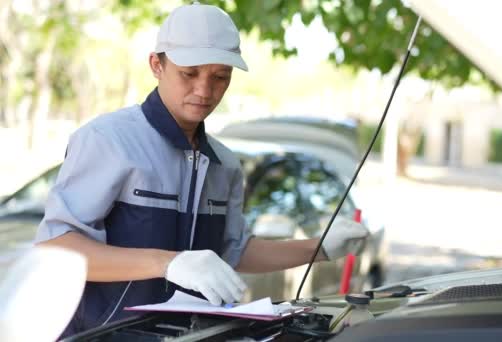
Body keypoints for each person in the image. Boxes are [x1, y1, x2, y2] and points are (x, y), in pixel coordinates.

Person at [35, 2, 368, 338]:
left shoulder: (225, 164)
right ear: (156, 64)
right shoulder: (107, 140)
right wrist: (167, 263)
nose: (204, 91)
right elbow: (56, 249)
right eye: (189, 74)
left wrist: (321, 247)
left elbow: (233, 251)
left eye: (220, 77)